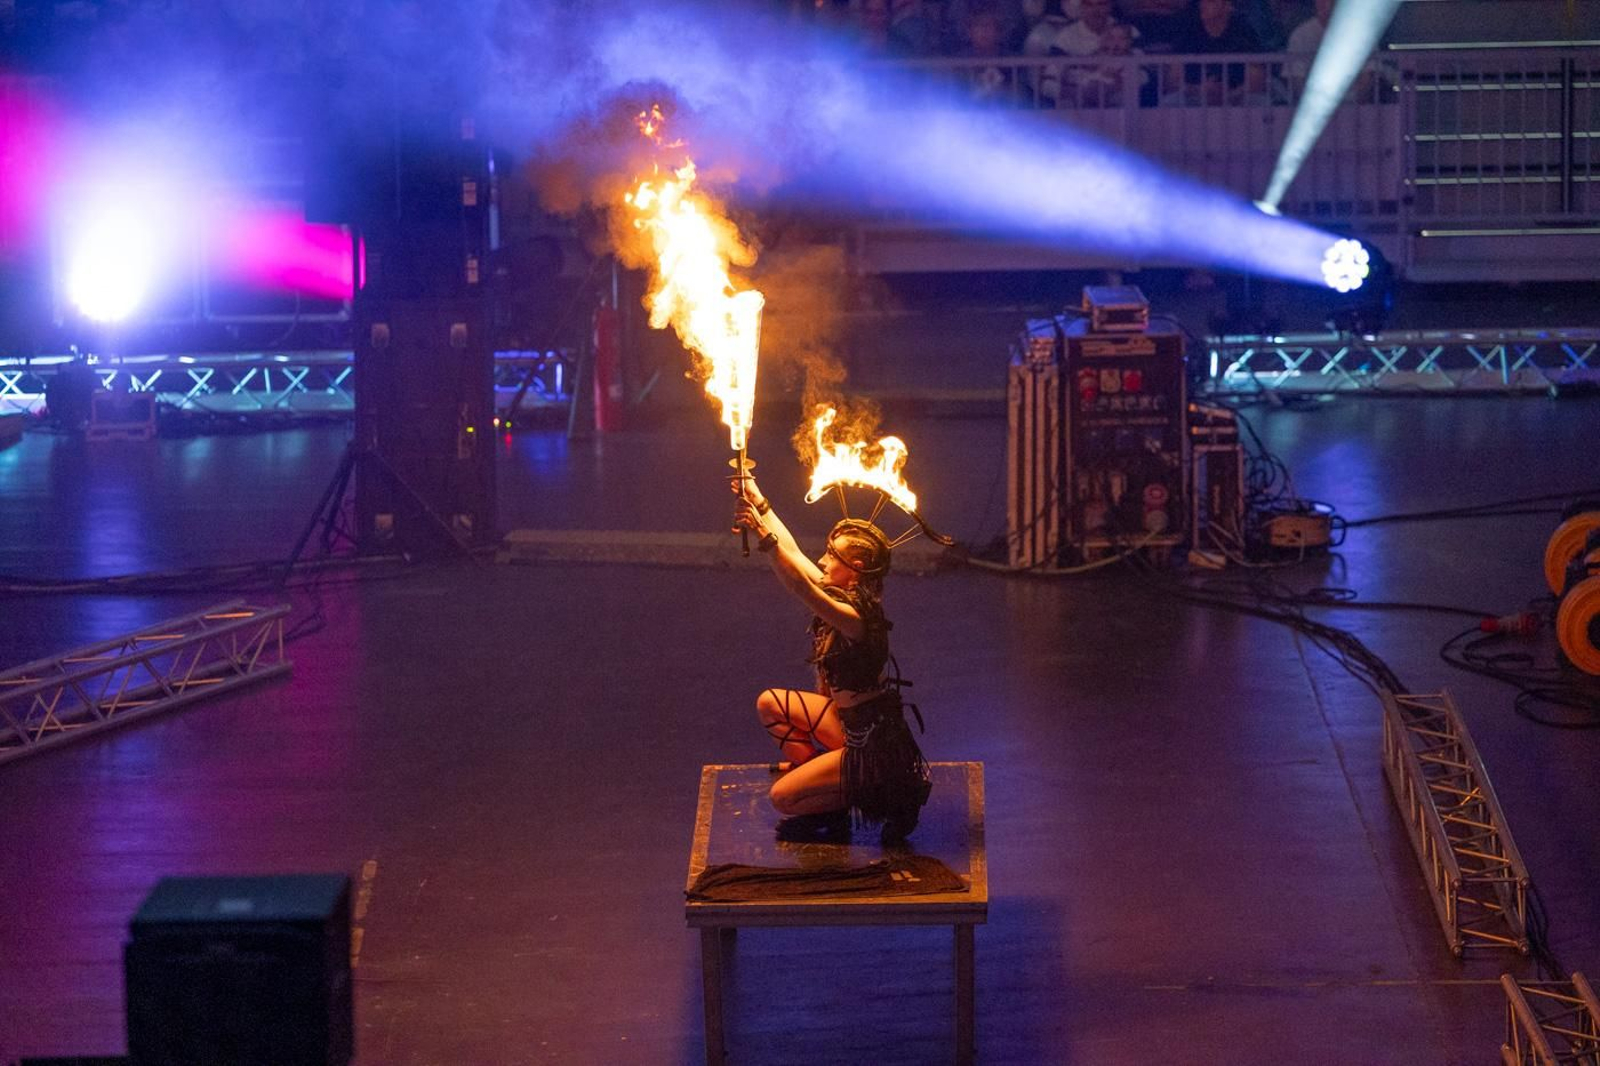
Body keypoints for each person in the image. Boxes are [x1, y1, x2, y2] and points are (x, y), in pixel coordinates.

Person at [732, 473, 932, 843]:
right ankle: (825, 794)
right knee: (769, 704)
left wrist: (763, 537)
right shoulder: (839, 593)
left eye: (831, 555)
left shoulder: (857, 618)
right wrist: (761, 503)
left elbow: (798, 584)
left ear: (854, 567)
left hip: (871, 749)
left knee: (783, 798)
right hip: (848, 726)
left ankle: (893, 793)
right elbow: (792, 555)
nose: (822, 560)